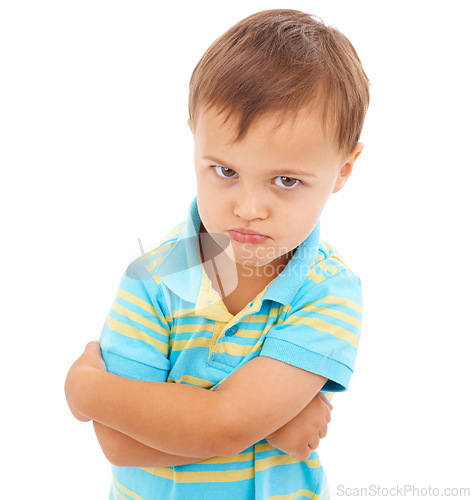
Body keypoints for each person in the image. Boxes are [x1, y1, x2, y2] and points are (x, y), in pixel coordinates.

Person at [65, 8, 369, 499]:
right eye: (224, 171)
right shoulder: (156, 274)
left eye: (286, 180)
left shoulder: (327, 289)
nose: (248, 209)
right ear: (194, 137)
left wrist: (87, 391)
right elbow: (117, 441)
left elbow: (223, 426)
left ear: (343, 170)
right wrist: (268, 426)